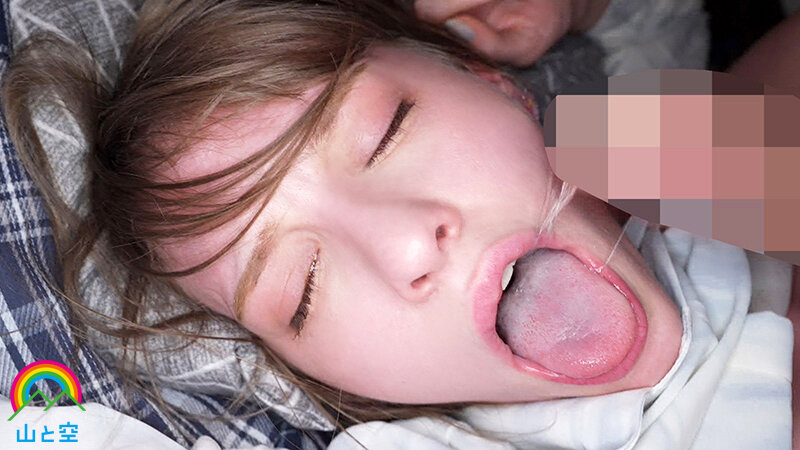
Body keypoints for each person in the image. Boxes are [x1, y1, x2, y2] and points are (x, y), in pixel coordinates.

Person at [0, 0, 794, 448]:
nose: (409, 243)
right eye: (303, 293)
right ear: (325, 384)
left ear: (494, 85)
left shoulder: (660, 146)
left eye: (388, 131)